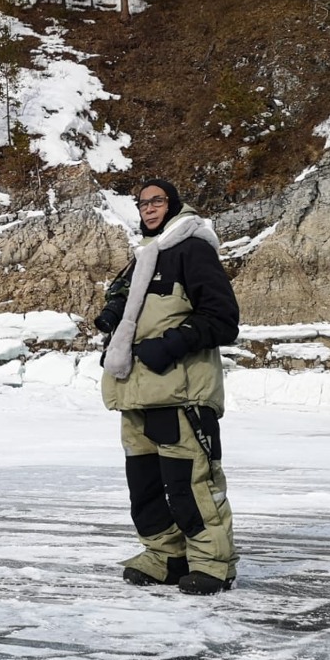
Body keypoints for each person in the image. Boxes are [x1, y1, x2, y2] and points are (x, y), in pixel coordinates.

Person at [94, 178, 240, 595]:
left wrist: (166, 347)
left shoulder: (192, 250)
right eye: (142, 203)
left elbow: (222, 319)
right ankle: (167, 556)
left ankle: (214, 563)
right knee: (145, 486)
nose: (148, 208)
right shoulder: (144, 258)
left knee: (190, 482)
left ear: (174, 204)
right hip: (135, 393)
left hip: (181, 393)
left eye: (156, 201)